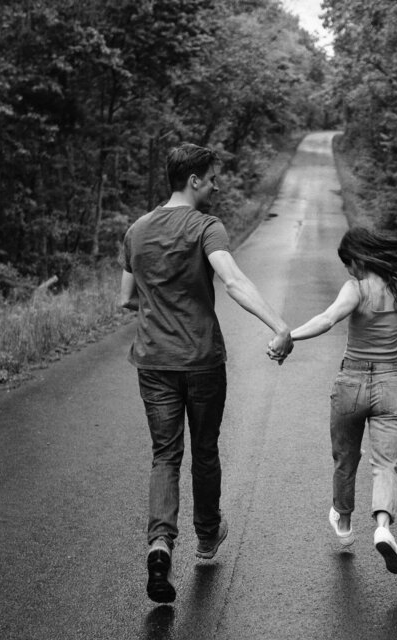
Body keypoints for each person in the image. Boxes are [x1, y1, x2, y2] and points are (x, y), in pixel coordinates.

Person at [120, 143, 293, 603]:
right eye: (213, 177)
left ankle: (160, 542)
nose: (217, 185)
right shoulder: (205, 227)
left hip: (154, 360)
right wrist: (279, 325)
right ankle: (207, 534)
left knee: (165, 455)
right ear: (193, 179)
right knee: (205, 450)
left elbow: (125, 298)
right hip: (200, 359)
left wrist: (159, 303)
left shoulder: (136, 230)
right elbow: (233, 280)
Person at [270, 226, 397, 574]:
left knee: (345, 456)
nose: (348, 271)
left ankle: (344, 521)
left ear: (360, 258)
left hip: (351, 382)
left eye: (349, 263)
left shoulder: (356, 288)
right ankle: (382, 527)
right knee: (386, 464)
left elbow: (327, 319)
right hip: (390, 382)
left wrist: (287, 336)